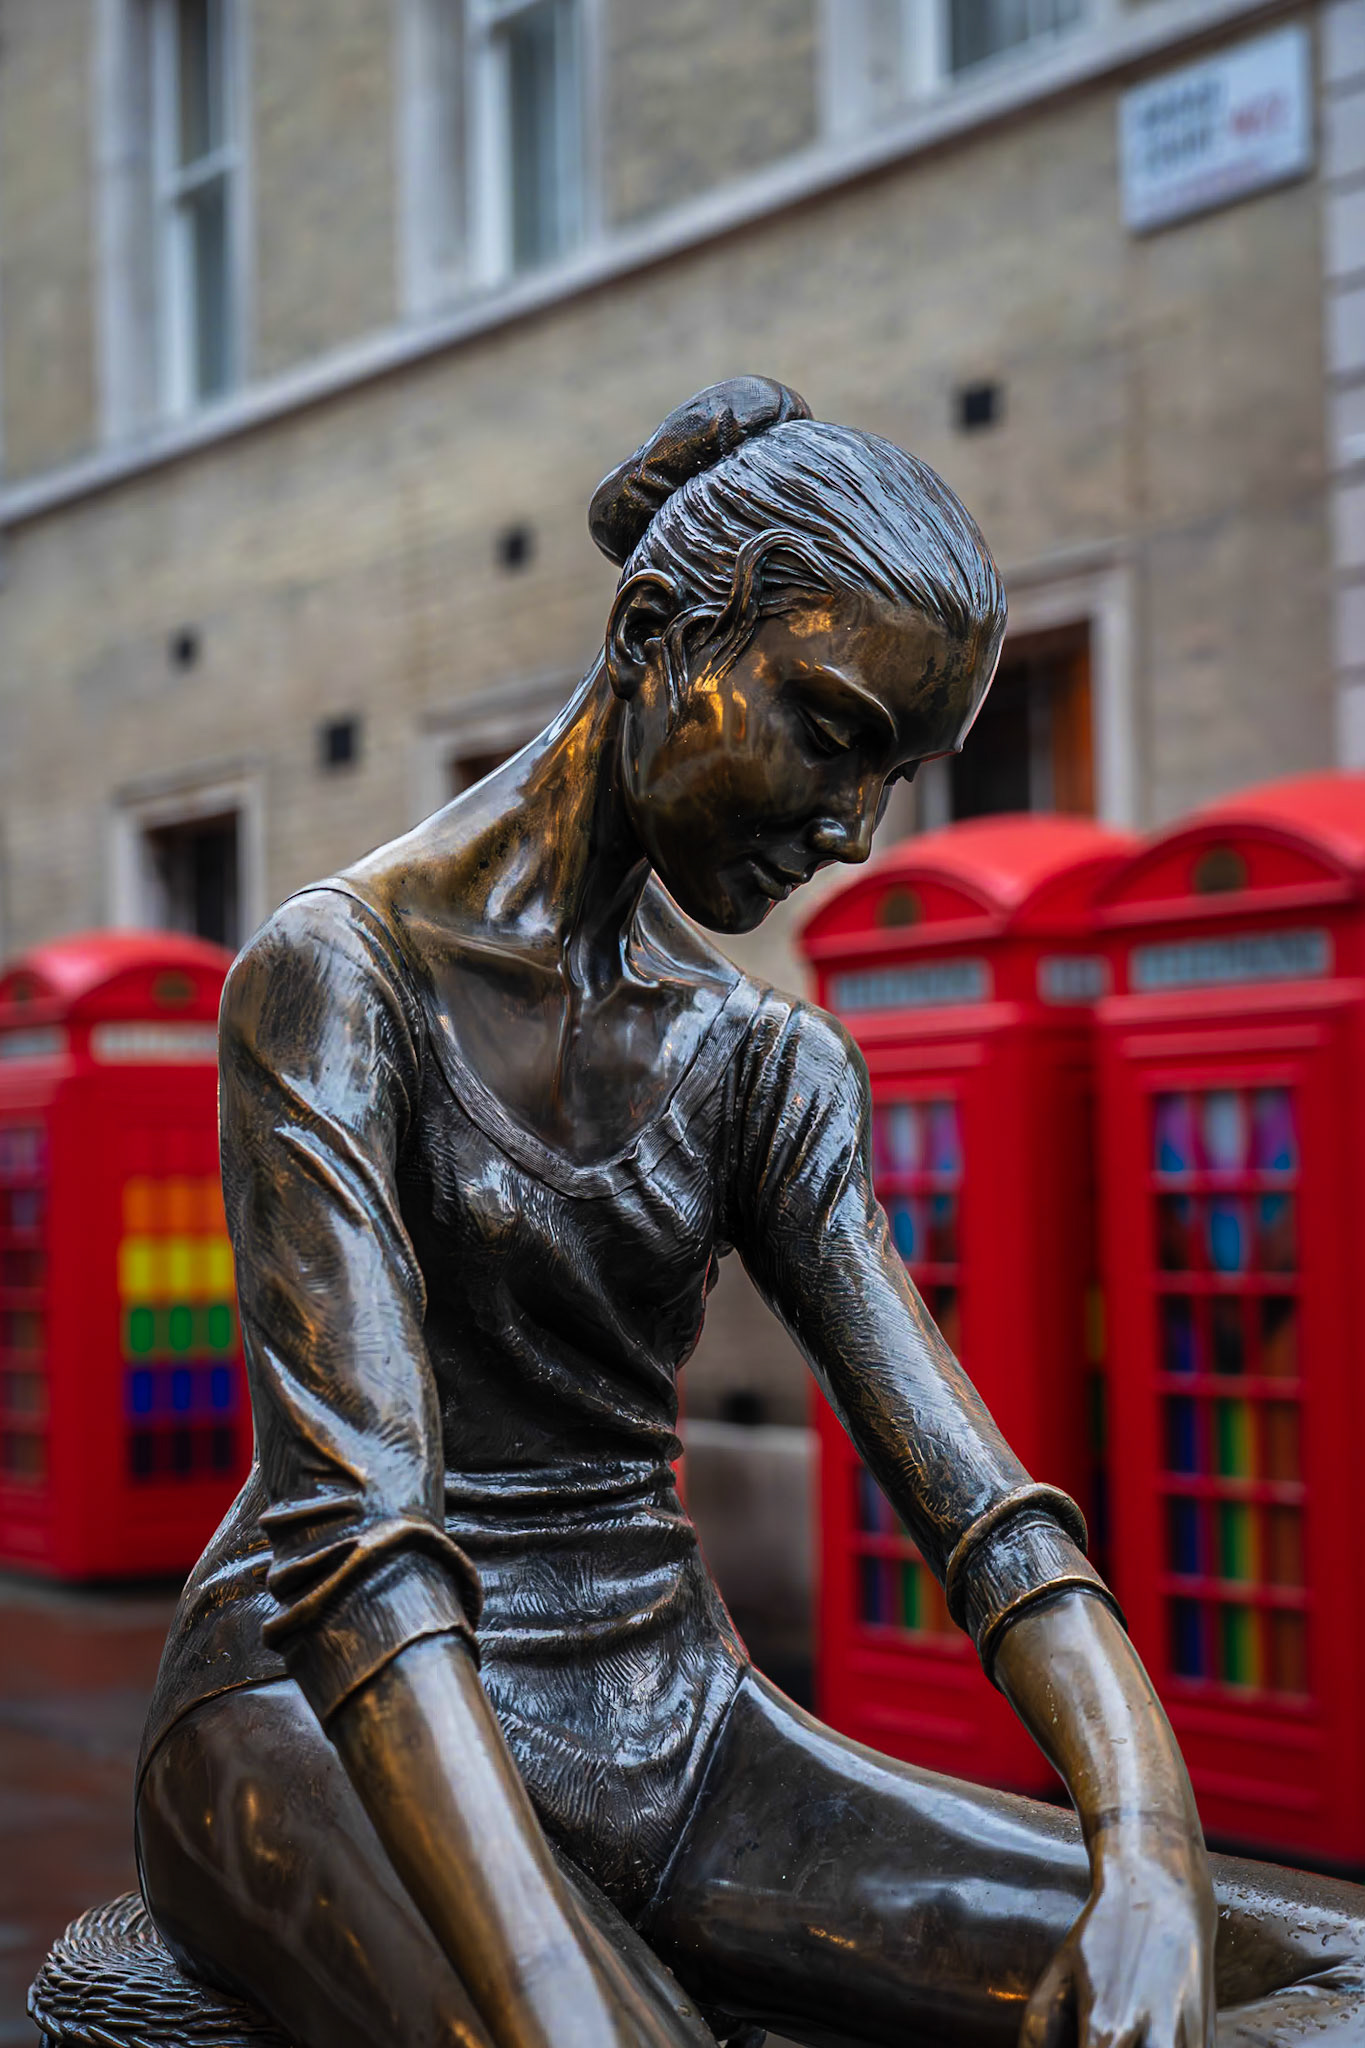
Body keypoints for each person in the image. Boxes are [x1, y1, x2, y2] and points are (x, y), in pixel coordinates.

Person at [135, 379, 1365, 2048]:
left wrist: (1143, 1860)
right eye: (831, 731)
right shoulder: (336, 979)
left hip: (672, 1721)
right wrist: (563, 1991)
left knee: (1330, 1977)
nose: (855, 831)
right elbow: (360, 1552)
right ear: (654, 633)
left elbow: (985, 1511)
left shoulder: (761, 1059)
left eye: (900, 775)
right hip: (326, 1715)